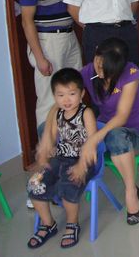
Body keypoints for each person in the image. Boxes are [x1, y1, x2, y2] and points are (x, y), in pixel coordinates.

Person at [15, 0, 82, 129]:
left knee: (73, 92)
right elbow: (26, 20)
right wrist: (39, 57)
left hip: (69, 36)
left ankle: (71, 142)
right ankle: (48, 147)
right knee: (49, 98)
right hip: (47, 40)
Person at [78, 37, 139, 225]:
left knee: (116, 136)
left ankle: (131, 191)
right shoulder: (89, 72)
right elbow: (66, 88)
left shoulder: (130, 74)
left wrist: (94, 139)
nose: (100, 72)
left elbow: (121, 117)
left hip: (134, 136)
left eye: (106, 69)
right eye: (98, 64)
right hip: (104, 131)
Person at [26, 68, 96, 249]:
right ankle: (48, 224)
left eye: (72, 94)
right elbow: (50, 138)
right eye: (61, 95)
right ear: (54, 96)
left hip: (83, 159)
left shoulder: (86, 113)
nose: (66, 100)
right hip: (61, 158)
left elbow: (92, 142)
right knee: (34, 184)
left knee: (68, 186)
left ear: (82, 94)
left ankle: (72, 224)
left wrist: (81, 165)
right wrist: (44, 156)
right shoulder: (57, 112)